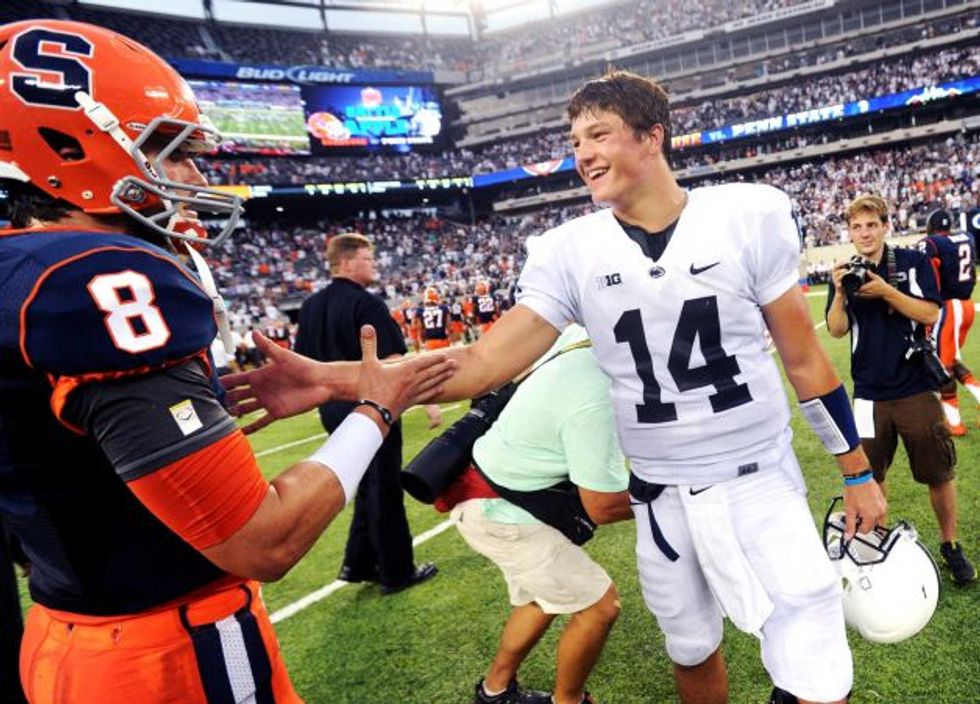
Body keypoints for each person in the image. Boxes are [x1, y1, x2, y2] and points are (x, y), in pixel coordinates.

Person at [224, 70, 886, 704]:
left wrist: (856, 473)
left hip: (757, 473)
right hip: (662, 495)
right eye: (575, 142)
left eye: (597, 133)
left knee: (814, 649)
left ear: (651, 136)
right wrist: (330, 378)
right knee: (690, 646)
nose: (583, 154)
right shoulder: (569, 251)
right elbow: (482, 362)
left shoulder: (748, 214)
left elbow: (806, 363)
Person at [0, 20, 453, 703]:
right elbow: (262, 542)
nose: (193, 175)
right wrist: (374, 411)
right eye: (165, 149)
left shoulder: (21, 276)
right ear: (67, 146)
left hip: (68, 634)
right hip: (160, 652)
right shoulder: (96, 282)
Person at [447, 325, 631, 704]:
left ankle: (494, 690)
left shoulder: (578, 335)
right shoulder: (594, 392)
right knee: (599, 607)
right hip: (503, 511)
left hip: (491, 496)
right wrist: (672, 494)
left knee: (539, 598)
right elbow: (602, 503)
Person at [827, 195, 975, 586]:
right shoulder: (847, 272)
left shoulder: (912, 262)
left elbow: (931, 313)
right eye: (857, 227)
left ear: (885, 226)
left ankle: (951, 544)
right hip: (868, 393)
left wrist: (887, 292)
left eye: (871, 224)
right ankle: (878, 547)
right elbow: (836, 329)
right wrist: (841, 292)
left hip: (914, 386)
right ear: (850, 232)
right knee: (869, 476)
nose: (864, 233)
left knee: (938, 471)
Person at [294, 233, 441, 594]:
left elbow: (301, 364)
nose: (374, 265)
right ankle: (397, 571)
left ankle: (358, 562)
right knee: (384, 487)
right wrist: (427, 398)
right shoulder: (366, 303)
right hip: (372, 407)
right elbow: (393, 363)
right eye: (368, 259)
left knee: (365, 483)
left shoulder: (311, 306)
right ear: (346, 262)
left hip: (332, 408)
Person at [917, 207, 980, 436]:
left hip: (949, 309)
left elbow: (930, 274)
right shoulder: (966, 236)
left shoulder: (932, 243)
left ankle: (954, 422)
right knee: (950, 358)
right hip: (966, 305)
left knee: (943, 367)